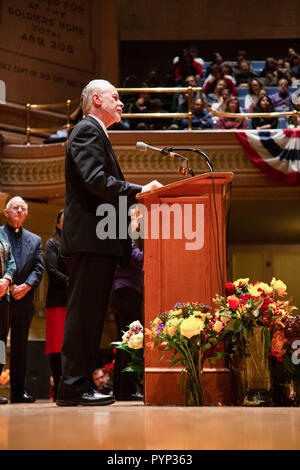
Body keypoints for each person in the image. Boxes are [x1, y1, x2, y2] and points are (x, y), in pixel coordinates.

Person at [56, 79, 162, 407]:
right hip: (89, 241)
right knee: (83, 315)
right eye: (116, 97)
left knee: (90, 316)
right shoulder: (87, 130)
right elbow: (96, 181)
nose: (121, 103)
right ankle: (72, 387)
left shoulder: (96, 133)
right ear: (97, 99)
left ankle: (79, 384)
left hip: (97, 242)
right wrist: (139, 190)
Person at [2, 196, 44, 403]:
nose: (19, 211)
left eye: (23, 208)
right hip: (2, 299)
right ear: (6, 212)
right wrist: (6, 284)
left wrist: (26, 286)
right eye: (15, 207)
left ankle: (19, 391)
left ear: (26, 214)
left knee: (21, 346)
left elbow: (38, 268)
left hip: (24, 300)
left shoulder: (35, 240)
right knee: (0, 345)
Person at [111, 234, 144, 401]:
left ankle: (120, 388)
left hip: (121, 291)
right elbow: (137, 257)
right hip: (127, 290)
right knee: (132, 339)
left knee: (124, 341)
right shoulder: (123, 234)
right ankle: (128, 390)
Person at [44, 209, 68, 402]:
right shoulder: (53, 243)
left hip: (74, 301)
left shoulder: (77, 243)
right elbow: (51, 270)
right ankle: (59, 386)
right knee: (56, 346)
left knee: (72, 345)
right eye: (64, 219)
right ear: (58, 224)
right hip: (58, 300)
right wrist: (73, 283)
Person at [0, 227, 16, 405]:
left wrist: (6, 279)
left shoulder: (2, 234)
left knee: (1, 342)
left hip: (3, 295)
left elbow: (11, 261)